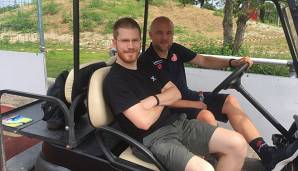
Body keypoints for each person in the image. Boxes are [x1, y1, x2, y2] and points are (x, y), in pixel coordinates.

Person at [138, 16, 298, 171]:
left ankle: (264, 152)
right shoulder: (146, 61)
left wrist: (231, 63)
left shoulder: (175, 49)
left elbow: (203, 61)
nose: (165, 37)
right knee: (207, 117)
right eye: (159, 33)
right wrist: (195, 104)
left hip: (190, 96)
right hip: (173, 109)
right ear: (151, 35)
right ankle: (216, 161)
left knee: (230, 101)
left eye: (169, 33)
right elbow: (161, 100)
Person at [103, 17, 247, 171]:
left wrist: (154, 100)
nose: (131, 46)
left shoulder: (145, 66)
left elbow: (176, 92)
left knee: (237, 144)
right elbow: (144, 122)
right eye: (125, 41)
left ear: (140, 42)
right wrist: (164, 98)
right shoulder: (115, 80)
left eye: (135, 40)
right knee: (205, 169)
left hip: (179, 123)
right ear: (114, 42)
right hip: (153, 139)